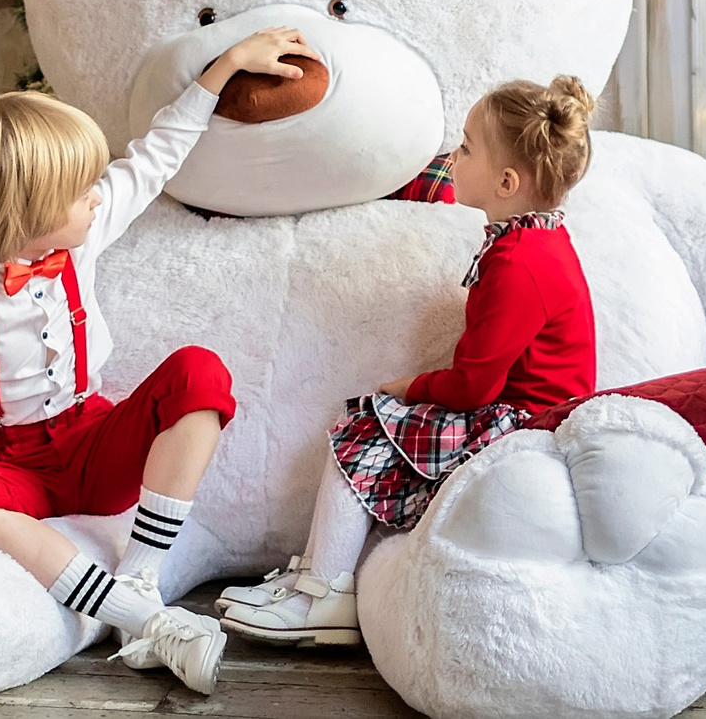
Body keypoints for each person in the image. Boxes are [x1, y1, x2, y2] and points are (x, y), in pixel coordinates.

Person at [0, 26, 315, 695]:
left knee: (199, 372)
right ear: (29, 209)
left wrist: (226, 68)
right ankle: (138, 616)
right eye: (82, 187)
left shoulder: (85, 235)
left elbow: (153, 158)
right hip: (5, 463)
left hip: (90, 438)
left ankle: (141, 572)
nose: (99, 194)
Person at [217, 75, 601, 649]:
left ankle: (323, 594)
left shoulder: (521, 262)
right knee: (372, 425)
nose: (453, 155)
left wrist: (412, 387)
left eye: (467, 147)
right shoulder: (528, 239)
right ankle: (314, 577)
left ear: (506, 181)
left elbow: (473, 385)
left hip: (528, 423)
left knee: (364, 431)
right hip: (521, 408)